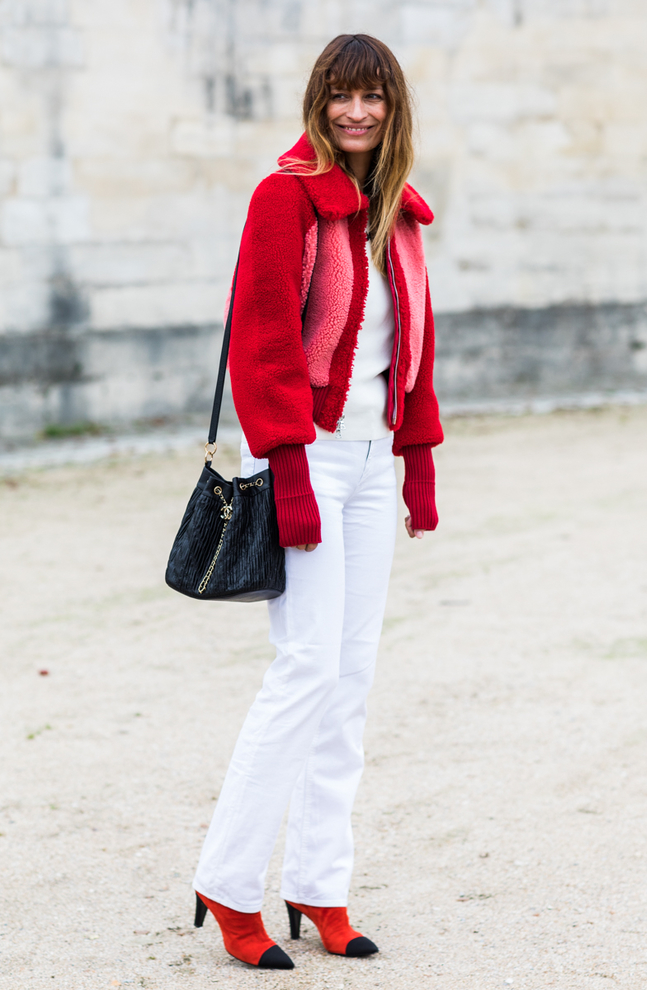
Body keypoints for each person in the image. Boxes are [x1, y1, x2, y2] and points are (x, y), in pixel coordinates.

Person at [192, 33, 443, 969]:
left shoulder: (398, 213)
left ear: (394, 107)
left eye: (373, 96)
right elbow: (260, 347)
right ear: (317, 100)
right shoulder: (284, 198)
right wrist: (291, 473)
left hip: (376, 466)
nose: (357, 113)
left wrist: (416, 464)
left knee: (352, 678)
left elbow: (414, 353)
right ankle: (227, 880)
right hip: (310, 461)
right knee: (304, 671)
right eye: (341, 95)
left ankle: (320, 882)